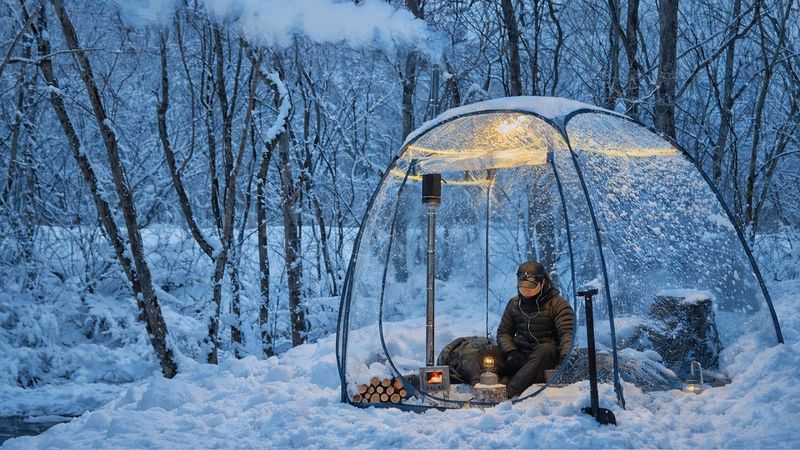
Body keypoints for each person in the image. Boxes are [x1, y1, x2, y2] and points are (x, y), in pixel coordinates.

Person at [497, 260, 574, 398]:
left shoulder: (558, 305)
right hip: (520, 355)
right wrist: (510, 351)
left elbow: (568, 335)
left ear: (542, 283)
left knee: (546, 349)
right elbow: (504, 332)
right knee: (487, 351)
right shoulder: (514, 304)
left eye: (531, 286)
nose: (526, 289)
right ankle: (480, 388)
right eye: (523, 286)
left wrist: (564, 360)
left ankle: (508, 394)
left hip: (545, 358)